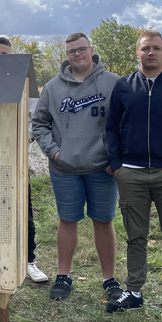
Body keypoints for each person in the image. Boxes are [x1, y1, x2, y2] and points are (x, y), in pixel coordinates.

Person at [32, 32, 123, 301]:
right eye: (72, 51)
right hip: (65, 168)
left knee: (103, 221)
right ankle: (64, 276)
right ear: (67, 55)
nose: (77, 55)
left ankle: (109, 278)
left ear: (91, 50)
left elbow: (126, 122)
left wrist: (116, 156)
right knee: (67, 220)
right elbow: (39, 124)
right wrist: (54, 152)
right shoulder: (53, 88)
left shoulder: (113, 83)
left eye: (82, 49)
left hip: (102, 168)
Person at [106, 30, 162, 312]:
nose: (151, 53)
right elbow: (111, 126)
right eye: (145, 48)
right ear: (138, 53)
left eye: (156, 48)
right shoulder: (124, 86)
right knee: (136, 236)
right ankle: (133, 292)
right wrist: (117, 163)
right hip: (131, 173)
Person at [0, 37, 48, 283]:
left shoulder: (26, 84)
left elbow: (36, 119)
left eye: (5, 54)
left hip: (16, 157)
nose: (0, 59)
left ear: (12, 56)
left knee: (23, 208)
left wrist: (25, 138)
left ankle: (28, 261)